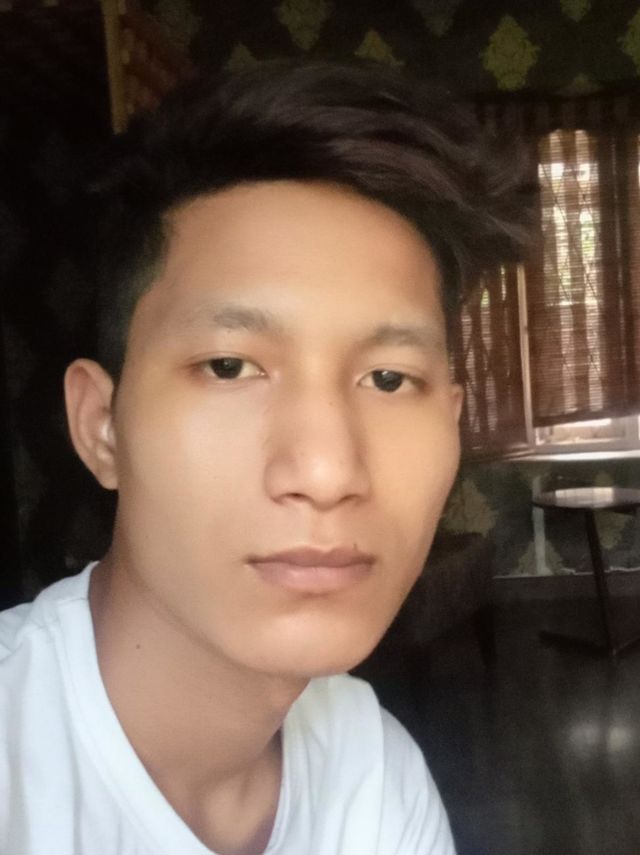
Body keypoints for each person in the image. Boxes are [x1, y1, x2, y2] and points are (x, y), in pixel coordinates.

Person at [0, 62, 532, 854]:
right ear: (101, 425)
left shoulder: (372, 768)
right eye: (229, 366)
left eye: (390, 379)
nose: (326, 472)